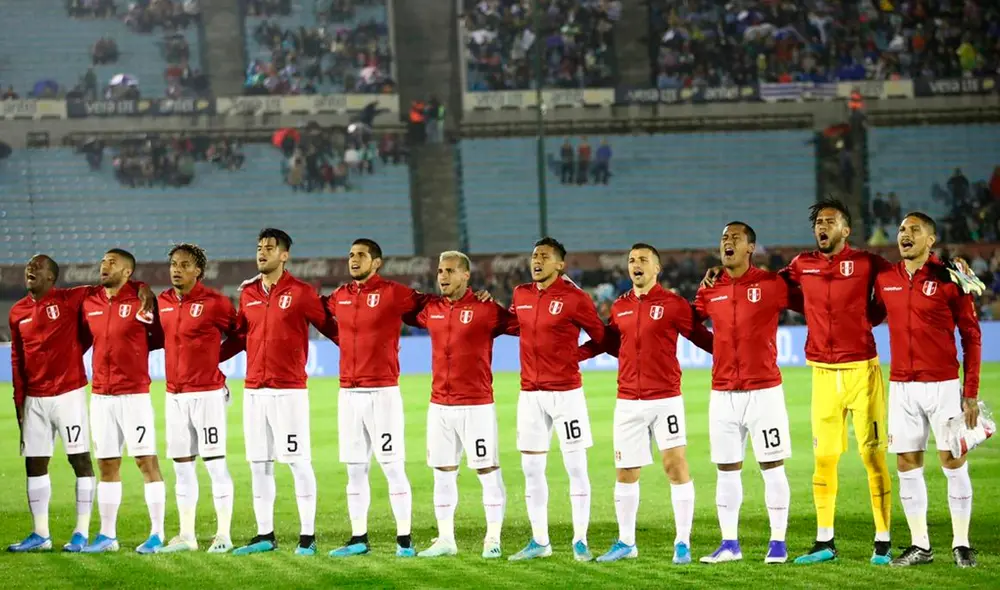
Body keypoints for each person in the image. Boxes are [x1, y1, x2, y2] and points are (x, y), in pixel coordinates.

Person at [578, 243, 713, 564]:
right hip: (627, 400)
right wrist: (577, 354)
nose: (635, 264)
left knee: (675, 466)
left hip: (665, 398)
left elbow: (699, 336)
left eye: (642, 260)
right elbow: (611, 341)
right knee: (626, 472)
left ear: (657, 269)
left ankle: (683, 542)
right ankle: (626, 542)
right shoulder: (620, 306)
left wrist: (731, 354)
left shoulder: (673, 304)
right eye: (631, 260)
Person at [8, 255, 152, 553]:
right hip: (34, 398)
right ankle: (40, 534)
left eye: (38, 267)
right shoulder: (17, 311)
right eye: (28, 268)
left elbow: (115, 286)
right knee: (34, 463)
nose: (30, 270)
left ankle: (80, 532)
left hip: (69, 393)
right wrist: (19, 401)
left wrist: (141, 285)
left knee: (81, 460)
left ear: (52, 277)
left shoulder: (73, 298)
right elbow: (17, 359)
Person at [780, 201, 894, 565]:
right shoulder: (802, 264)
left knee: (873, 456)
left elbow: (897, 287)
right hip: (822, 374)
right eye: (818, 222)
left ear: (846, 230)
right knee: (823, 458)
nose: (822, 227)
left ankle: (883, 541)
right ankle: (825, 541)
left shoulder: (868, 263)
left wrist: (867, 318)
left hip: (863, 371)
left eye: (830, 221)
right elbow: (772, 286)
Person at [872, 212, 983, 568]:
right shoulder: (885, 277)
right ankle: (920, 545)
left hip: (944, 385)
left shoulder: (950, 277)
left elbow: (972, 336)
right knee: (907, 463)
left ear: (930, 240)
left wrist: (970, 391)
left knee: (953, 462)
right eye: (902, 229)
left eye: (914, 230)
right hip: (902, 385)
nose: (905, 234)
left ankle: (961, 543)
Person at [224, 229, 338, 557]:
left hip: (289, 392)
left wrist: (364, 351)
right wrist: (210, 360)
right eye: (259, 247)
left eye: (269, 248)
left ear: (284, 255)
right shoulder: (247, 294)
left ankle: (307, 537)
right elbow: (240, 337)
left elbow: (331, 328)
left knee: (298, 462)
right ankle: (265, 535)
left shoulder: (302, 293)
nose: (262, 253)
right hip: (255, 391)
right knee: (259, 464)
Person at [694, 222, 796, 565]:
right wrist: (718, 350)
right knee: (726, 469)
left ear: (750, 247)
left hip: (764, 390)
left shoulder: (771, 284)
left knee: (772, 466)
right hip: (722, 393)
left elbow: (807, 299)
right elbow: (692, 325)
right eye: (723, 237)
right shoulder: (710, 288)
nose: (728, 242)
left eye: (735, 237)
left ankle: (778, 544)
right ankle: (729, 544)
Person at [325, 238, 430, 558]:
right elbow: (316, 311)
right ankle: (358, 538)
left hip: (382, 392)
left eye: (361, 255)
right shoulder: (340, 296)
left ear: (377, 262)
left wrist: (472, 298)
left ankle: (404, 540)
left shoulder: (394, 293)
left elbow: (432, 304)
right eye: (350, 255)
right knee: (355, 469)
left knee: (392, 465)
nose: (354, 260)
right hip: (348, 394)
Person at [412, 251, 519, 559]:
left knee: (487, 471)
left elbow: (520, 325)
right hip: (440, 406)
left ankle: (493, 538)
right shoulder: (430, 309)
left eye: (448, 271)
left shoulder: (486, 310)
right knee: (442, 473)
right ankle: (446, 539)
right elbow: (405, 311)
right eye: (439, 271)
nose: (442, 276)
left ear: (465, 275)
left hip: (476, 405)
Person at [507, 237, 606, 562]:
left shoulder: (575, 298)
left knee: (575, 466)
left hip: (566, 394)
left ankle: (580, 539)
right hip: (530, 395)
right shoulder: (521, 294)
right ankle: (540, 540)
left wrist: (574, 356)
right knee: (531, 468)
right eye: (534, 255)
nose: (536, 260)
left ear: (560, 264)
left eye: (544, 256)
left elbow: (602, 337)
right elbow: (511, 324)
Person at [155, 244, 240, 554]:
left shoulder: (215, 302)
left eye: (184, 264)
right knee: (182, 467)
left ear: (198, 271)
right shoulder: (162, 301)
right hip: (175, 395)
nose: (176, 269)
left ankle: (223, 536)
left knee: (215, 464)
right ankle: (187, 536)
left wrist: (214, 358)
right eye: (173, 264)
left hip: (206, 395)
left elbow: (240, 334)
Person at [79, 249, 165, 554]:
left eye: (111, 263)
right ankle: (107, 536)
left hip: (134, 395)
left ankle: (157, 534)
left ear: (127, 272)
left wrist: (143, 288)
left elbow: (159, 337)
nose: (104, 266)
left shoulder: (141, 300)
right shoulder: (90, 301)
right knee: (107, 464)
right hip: (101, 395)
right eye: (102, 261)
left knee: (145, 461)